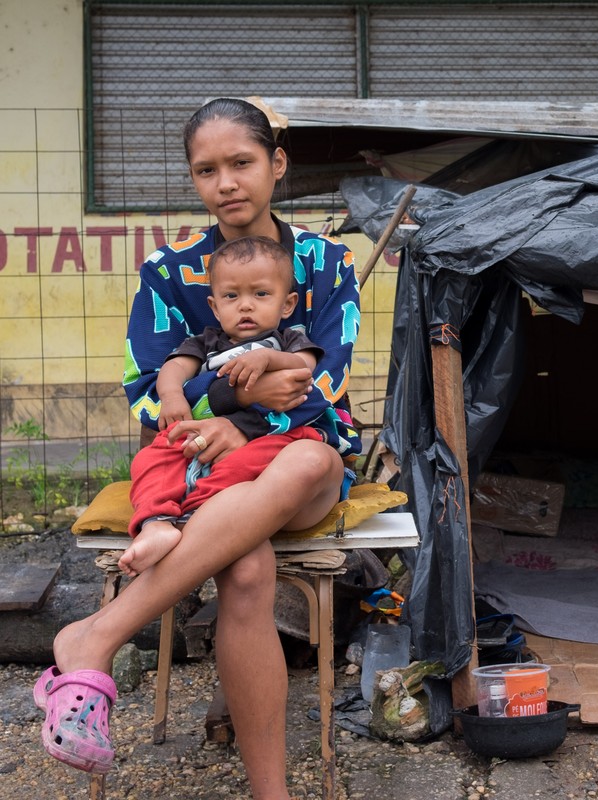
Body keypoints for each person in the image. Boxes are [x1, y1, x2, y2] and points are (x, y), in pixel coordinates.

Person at [35, 97, 360, 799]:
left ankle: (96, 637)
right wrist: (228, 406)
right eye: (206, 170)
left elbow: (326, 381)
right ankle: (272, 793)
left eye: (242, 163)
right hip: (201, 467)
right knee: (245, 569)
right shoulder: (168, 271)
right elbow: (145, 389)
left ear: (276, 163)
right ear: (194, 180)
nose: (227, 183)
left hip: (302, 461)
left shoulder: (326, 262)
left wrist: (237, 408)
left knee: (308, 456)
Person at [120, 235, 327, 578]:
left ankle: (197, 515)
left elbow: (304, 369)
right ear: (215, 306)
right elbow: (172, 369)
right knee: (150, 458)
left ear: (287, 304)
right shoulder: (205, 343)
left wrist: (268, 357)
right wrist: (172, 397)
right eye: (231, 296)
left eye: (261, 294)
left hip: (265, 438)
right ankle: (156, 522)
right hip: (201, 441)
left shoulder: (290, 339)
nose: (245, 306)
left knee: (255, 461)